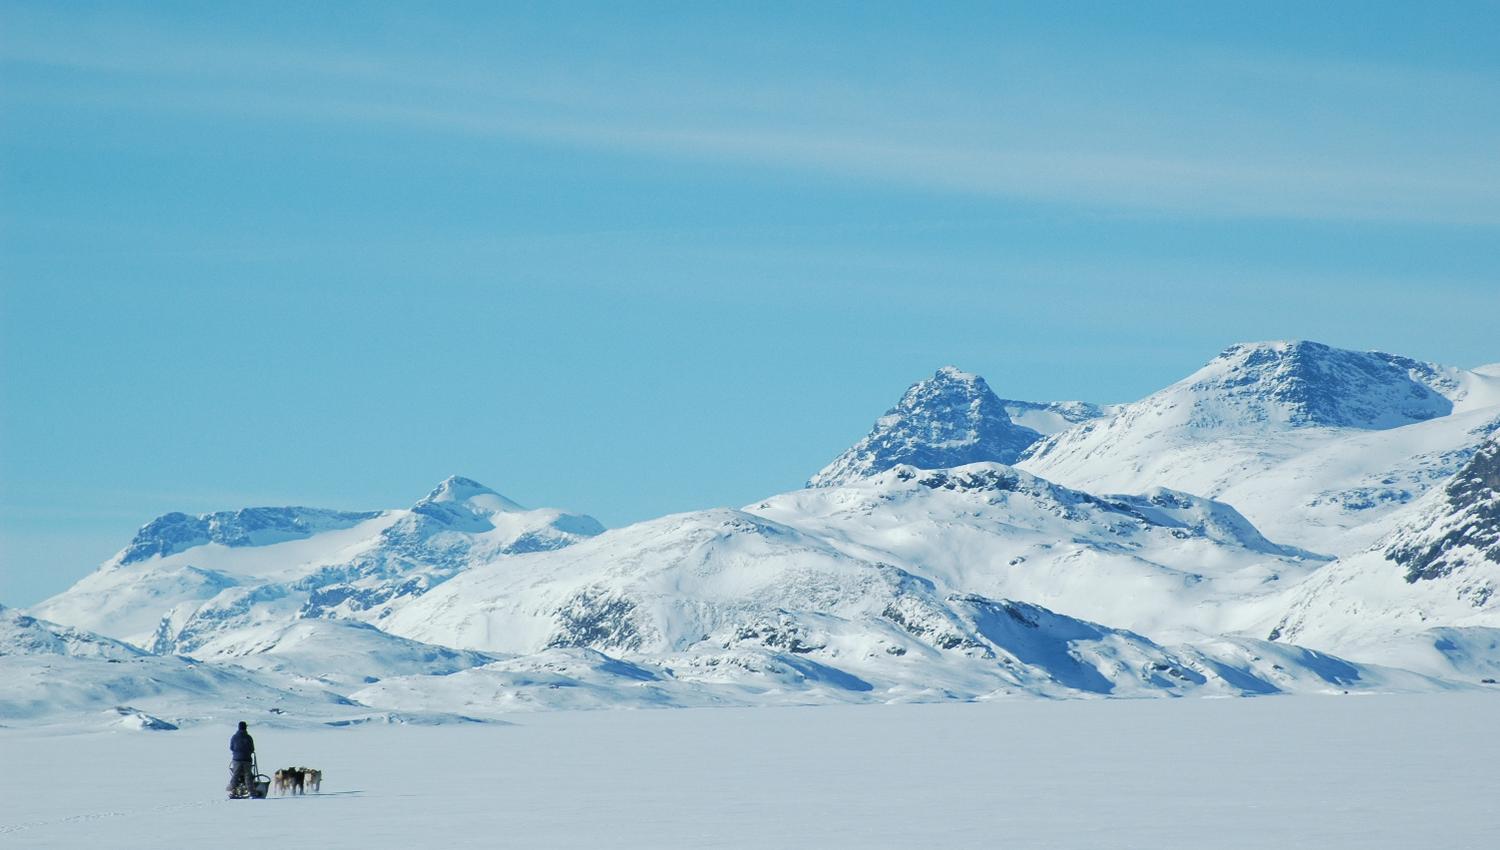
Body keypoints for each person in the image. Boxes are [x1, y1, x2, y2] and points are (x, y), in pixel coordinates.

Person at [227, 720, 256, 798]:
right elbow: (252, 748)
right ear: (245, 728)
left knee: (235, 775)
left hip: (236, 759)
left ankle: (232, 790)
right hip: (247, 759)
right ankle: (251, 791)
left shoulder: (234, 737)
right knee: (248, 775)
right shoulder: (248, 737)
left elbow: (231, 747)